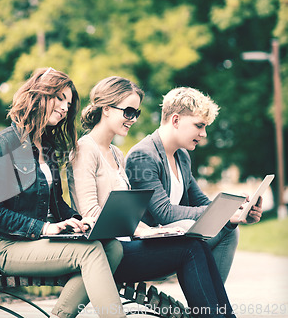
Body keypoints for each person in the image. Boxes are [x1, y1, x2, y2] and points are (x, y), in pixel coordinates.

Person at [68, 76, 237, 317]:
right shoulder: (86, 149)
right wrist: (140, 229)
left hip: (126, 244)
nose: (133, 120)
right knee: (190, 247)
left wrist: (150, 229)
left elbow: (126, 212)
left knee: (193, 243)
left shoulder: (116, 153)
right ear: (105, 109)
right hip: (106, 252)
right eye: (128, 112)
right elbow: (90, 214)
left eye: (135, 113)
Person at [0, 68, 126, 318]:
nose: (65, 107)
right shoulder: (2, 144)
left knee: (113, 248)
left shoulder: (47, 147)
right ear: (38, 95)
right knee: (89, 252)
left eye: (68, 103)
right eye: (59, 98)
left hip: (44, 240)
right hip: (12, 245)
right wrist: (44, 228)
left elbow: (55, 203)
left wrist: (81, 221)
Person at [125, 87, 263, 282]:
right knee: (195, 226)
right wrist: (222, 214)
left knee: (229, 230)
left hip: (173, 239)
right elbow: (164, 213)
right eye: (199, 126)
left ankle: (212, 306)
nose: (204, 133)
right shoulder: (143, 155)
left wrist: (237, 211)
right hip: (145, 246)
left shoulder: (182, 156)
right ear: (175, 120)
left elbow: (201, 202)